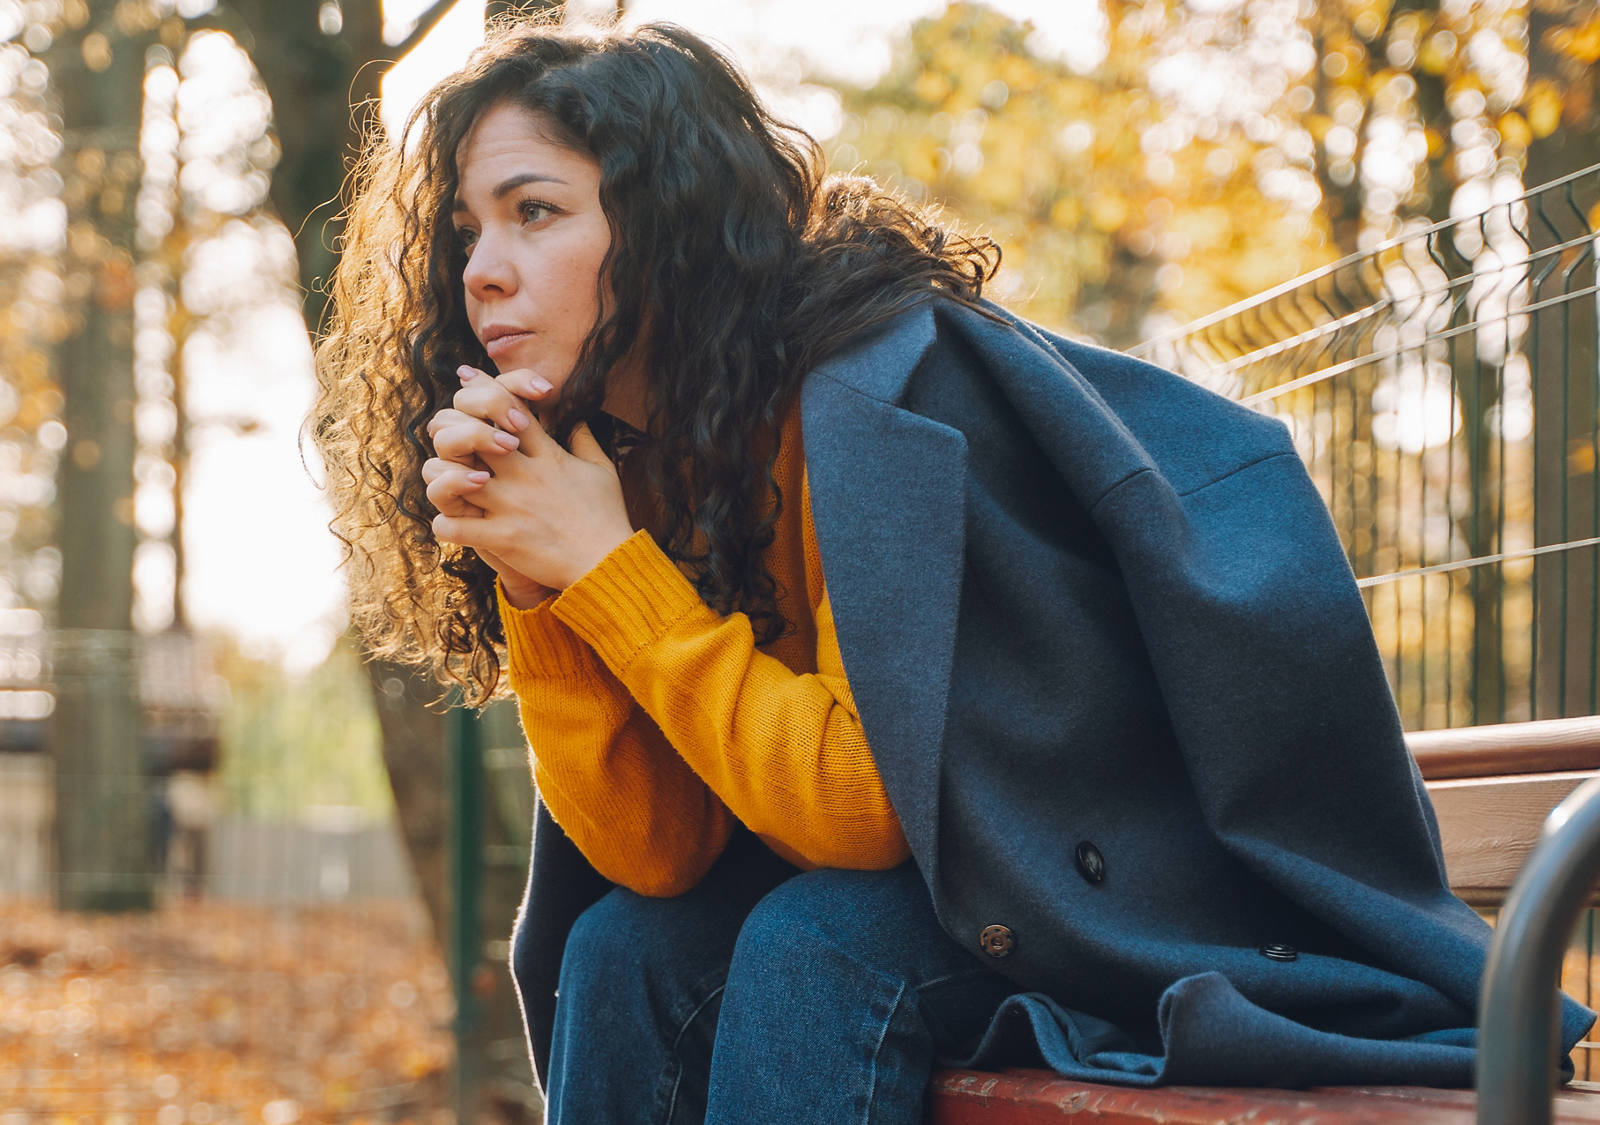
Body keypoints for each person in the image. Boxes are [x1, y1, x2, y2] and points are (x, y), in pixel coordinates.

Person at [311, 17, 1593, 1125]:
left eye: (536, 212)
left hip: (1117, 893)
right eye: (470, 226)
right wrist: (548, 590)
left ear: (665, 225)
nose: (480, 268)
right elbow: (656, 856)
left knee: (817, 946)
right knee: (626, 947)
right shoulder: (634, 457)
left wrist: (602, 566)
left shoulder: (882, 397)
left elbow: (865, 805)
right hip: (919, 900)